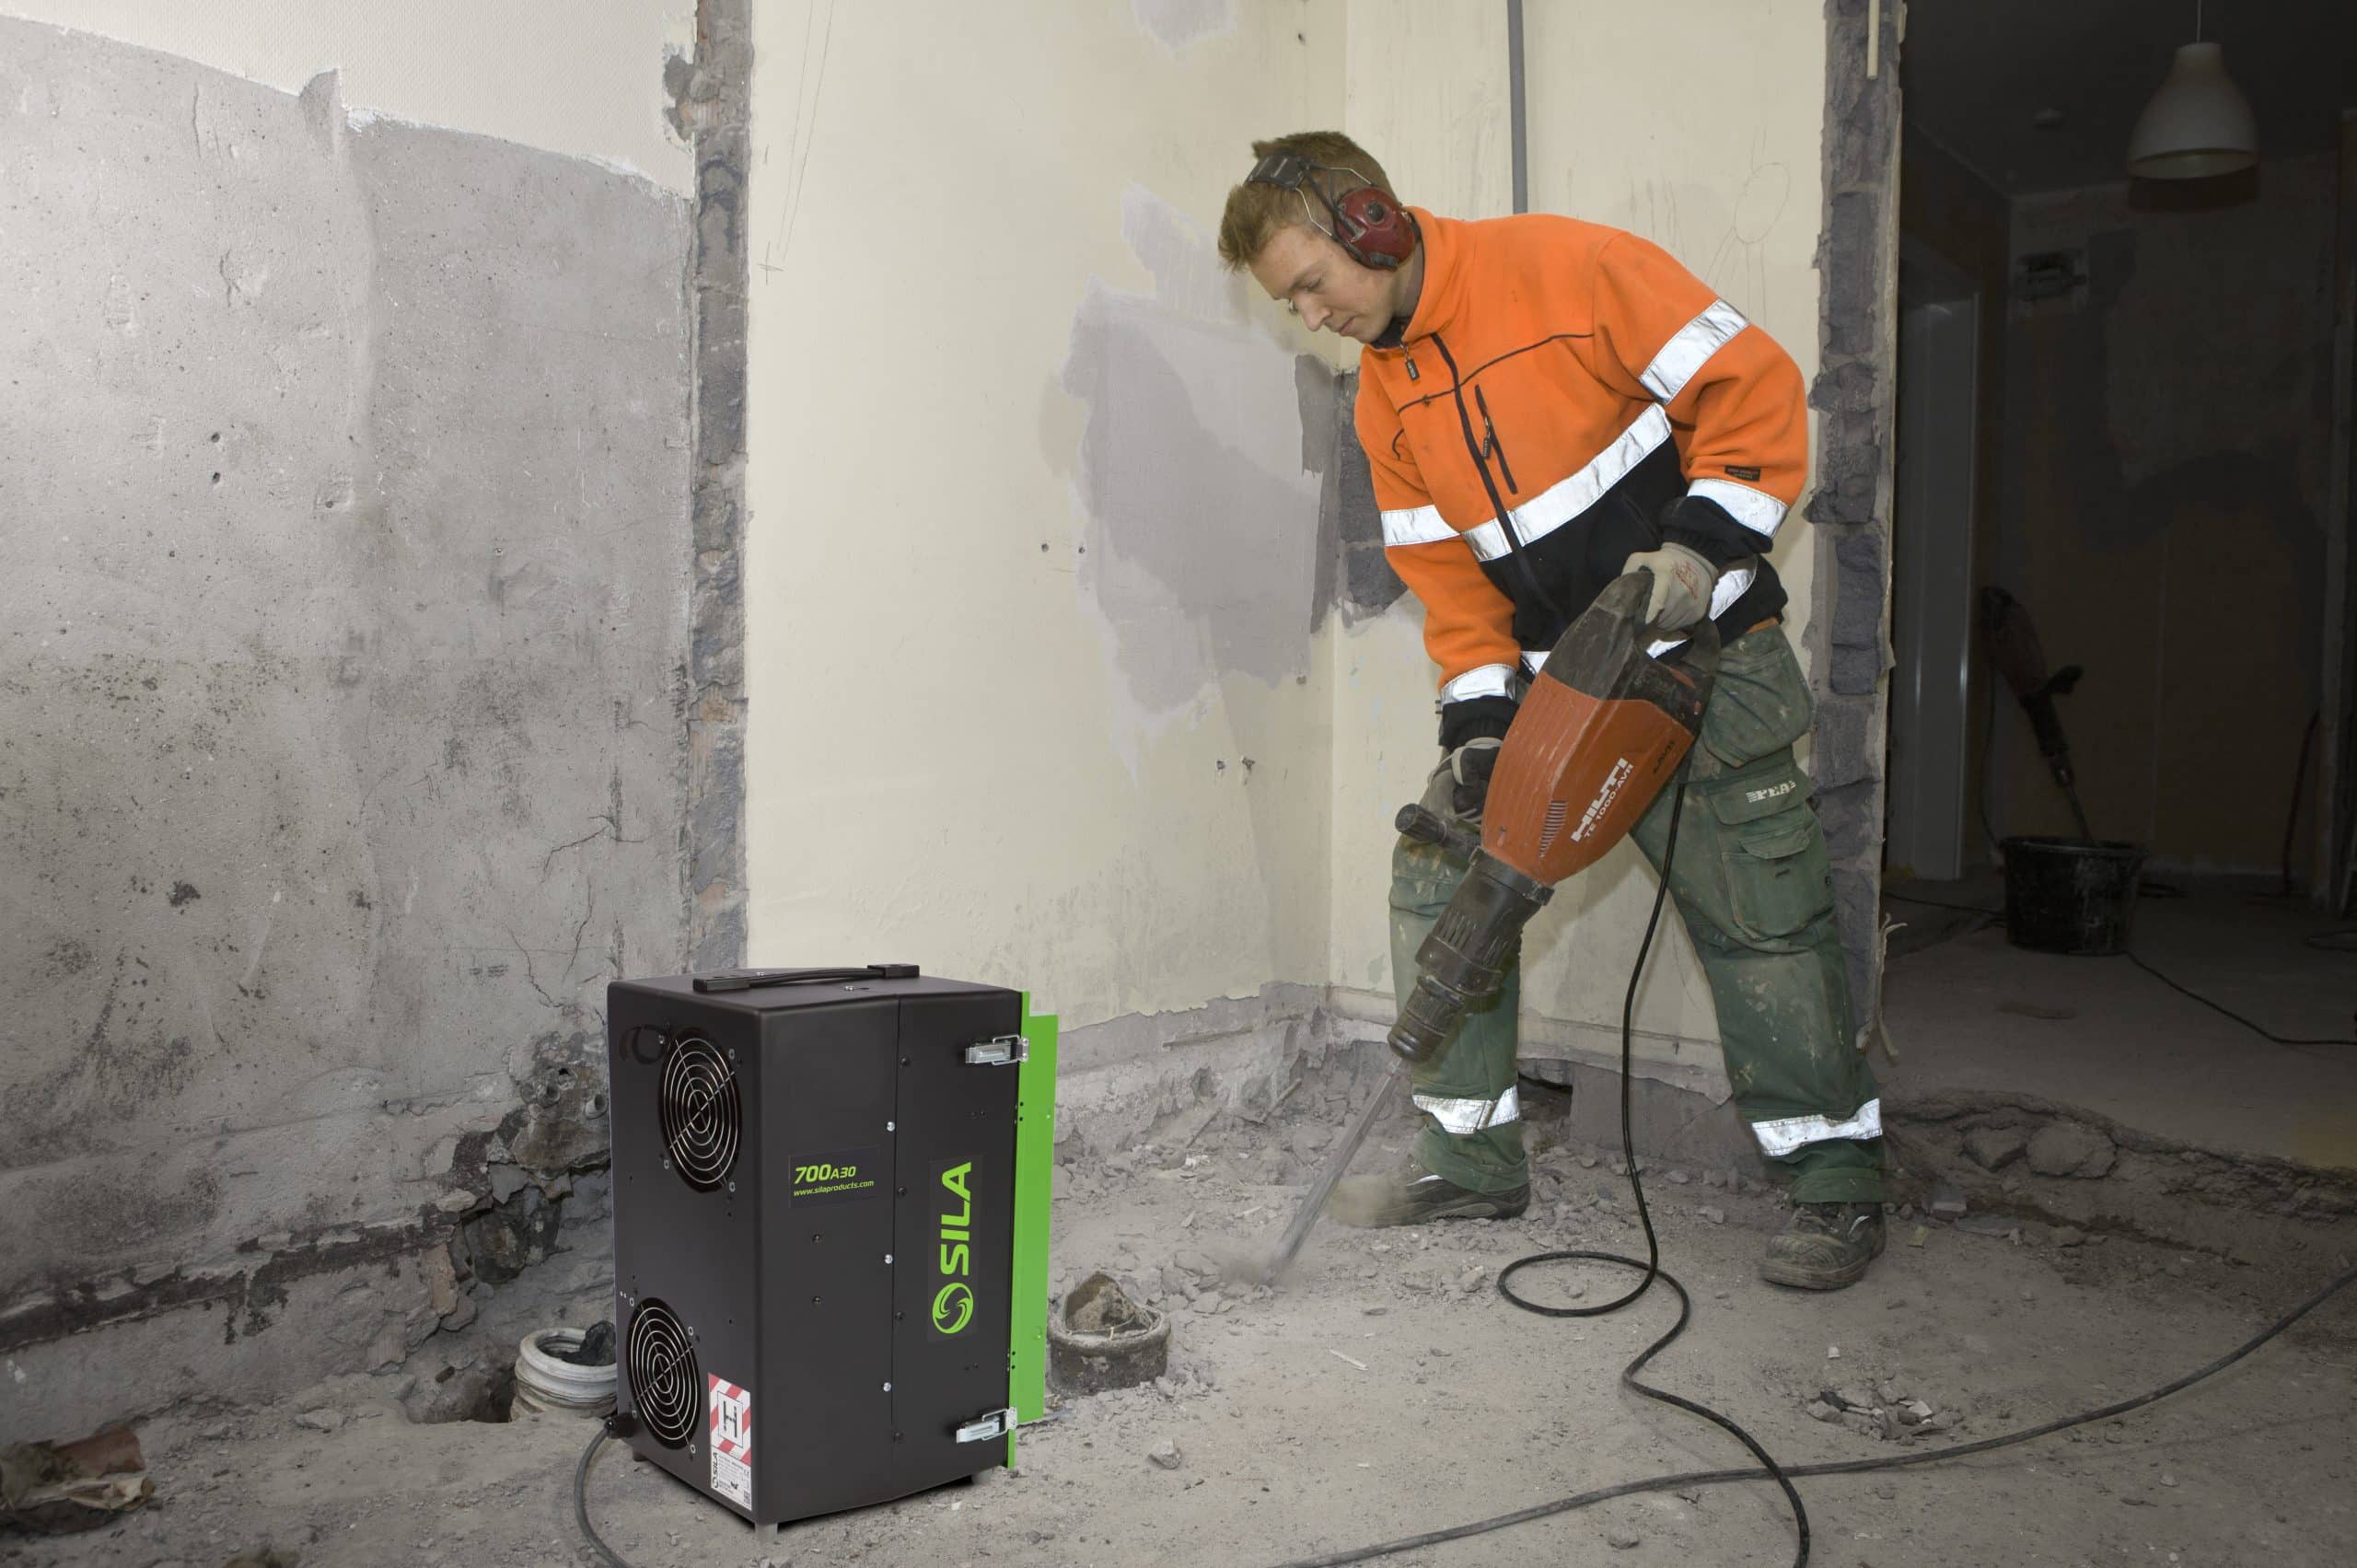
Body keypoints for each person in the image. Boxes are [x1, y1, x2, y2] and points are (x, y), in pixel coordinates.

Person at [1216, 132, 1886, 1289]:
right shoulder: (1385, 401)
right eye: (1290, 304)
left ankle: (1835, 1183)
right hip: (1560, 690)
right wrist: (1479, 728)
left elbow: (1755, 386)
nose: (1313, 315)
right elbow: (1454, 591)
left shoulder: (1568, 270)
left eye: (1313, 283)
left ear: (1372, 222)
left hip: (1703, 660)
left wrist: (1696, 554)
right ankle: (1469, 1158)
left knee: (1763, 915)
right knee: (1443, 873)